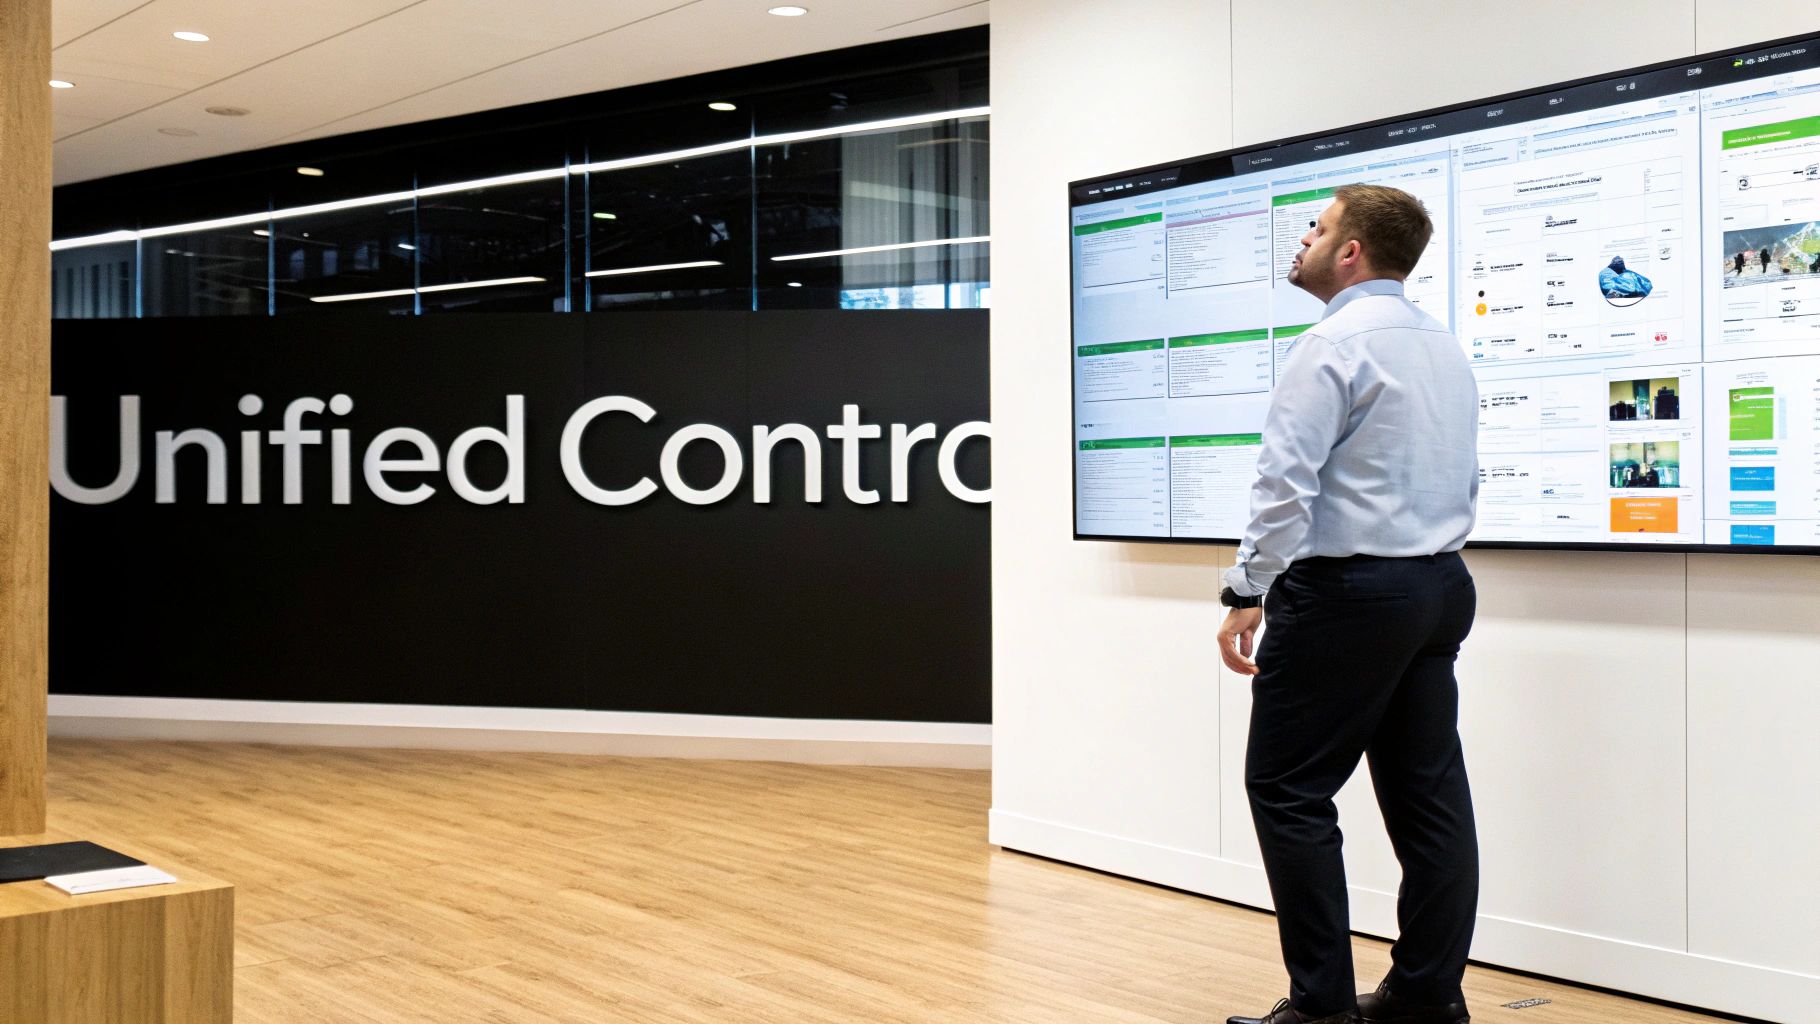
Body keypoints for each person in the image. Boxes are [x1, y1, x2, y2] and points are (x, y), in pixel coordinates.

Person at [1218, 183, 1480, 1024]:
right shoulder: (1443, 346)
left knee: (1288, 789)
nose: (1303, 239)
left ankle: (1321, 1007)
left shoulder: (1330, 345)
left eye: (1318, 226)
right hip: (1439, 587)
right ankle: (1428, 996)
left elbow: (1282, 485)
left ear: (1352, 251)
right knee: (1428, 797)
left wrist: (1246, 588)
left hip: (1349, 594)